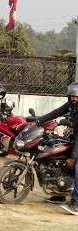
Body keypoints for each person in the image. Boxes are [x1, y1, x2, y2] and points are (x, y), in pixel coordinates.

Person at [34, 82, 78, 213]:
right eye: (72, 96)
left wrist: (73, 157)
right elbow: (56, 112)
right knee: (59, 158)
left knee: (77, 168)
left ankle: (76, 204)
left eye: (76, 96)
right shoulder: (70, 105)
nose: (74, 99)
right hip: (75, 137)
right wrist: (39, 120)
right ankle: (61, 193)